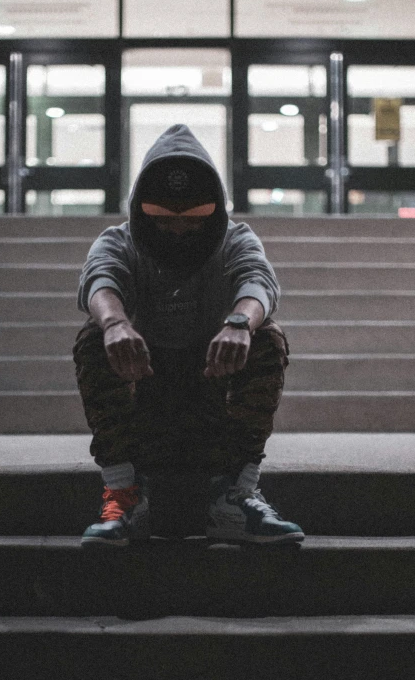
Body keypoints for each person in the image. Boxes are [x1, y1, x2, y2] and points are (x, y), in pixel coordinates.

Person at [73, 124, 304, 547]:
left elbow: (258, 280)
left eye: (193, 219)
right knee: (93, 337)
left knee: (266, 336)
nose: (178, 231)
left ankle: (235, 496)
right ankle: (124, 495)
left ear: (213, 210)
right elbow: (100, 279)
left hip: (210, 398)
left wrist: (239, 323)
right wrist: (115, 324)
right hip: (147, 400)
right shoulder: (118, 241)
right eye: (163, 219)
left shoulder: (236, 238)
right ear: (141, 211)